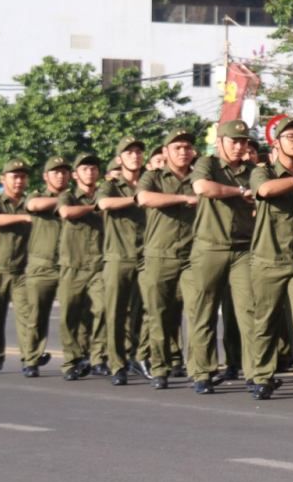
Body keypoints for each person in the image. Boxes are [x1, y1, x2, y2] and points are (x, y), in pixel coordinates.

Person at [180, 120, 258, 394]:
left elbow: (261, 196)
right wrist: (239, 192)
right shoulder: (208, 164)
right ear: (220, 142)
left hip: (243, 248)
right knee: (203, 311)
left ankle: (255, 372)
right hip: (209, 247)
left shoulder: (253, 170)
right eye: (234, 141)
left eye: (244, 141)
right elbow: (202, 188)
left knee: (249, 311)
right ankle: (202, 372)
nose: (239, 146)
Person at [246, 116, 293, 401]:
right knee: (264, 322)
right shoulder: (262, 172)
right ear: (276, 143)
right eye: (290, 137)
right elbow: (265, 191)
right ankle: (262, 376)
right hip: (268, 259)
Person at [136, 129, 199, 389]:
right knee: (158, 315)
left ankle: (199, 370)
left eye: (187, 147)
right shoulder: (152, 176)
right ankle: (160, 368)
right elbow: (144, 198)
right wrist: (183, 198)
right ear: (165, 152)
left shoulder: (200, 177)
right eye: (176, 147)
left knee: (198, 313)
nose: (183, 152)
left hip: (193, 256)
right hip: (159, 255)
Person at [96, 137, 148, 384]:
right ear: (119, 159)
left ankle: (139, 357)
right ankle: (117, 365)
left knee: (146, 311)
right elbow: (104, 203)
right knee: (115, 313)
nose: (135, 156)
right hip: (118, 256)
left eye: (138, 152)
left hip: (147, 256)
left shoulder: (151, 180)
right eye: (129, 153)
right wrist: (138, 199)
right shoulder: (111, 184)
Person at [55, 153, 107, 380]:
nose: (90, 172)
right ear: (75, 175)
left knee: (104, 308)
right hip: (72, 265)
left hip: (99, 265)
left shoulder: (106, 194)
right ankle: (72, 361)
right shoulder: (68, 197)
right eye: (85, 169)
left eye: (94, 168)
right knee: (70, 315)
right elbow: (66, 213)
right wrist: (95, 207)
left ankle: (98, 358)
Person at [19, 156, 71, 378]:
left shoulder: (76, 198)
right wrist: (66, 202)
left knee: (73, 314)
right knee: (37, 316)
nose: (61, 175)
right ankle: (31, 359)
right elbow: (33, 206)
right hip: (41, 266)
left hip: (70, 264)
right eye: (55, 172)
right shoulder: (37, 196)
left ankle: (75, 359)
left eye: (64, 172)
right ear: (45, 176)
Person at [0, 158, 34, 375]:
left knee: (27, 317)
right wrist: (24, 217)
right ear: (4, 179)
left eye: (23, 177)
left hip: (22, 270)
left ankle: (29, 360)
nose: (19, 181)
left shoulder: (31, 201)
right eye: (15, 177)